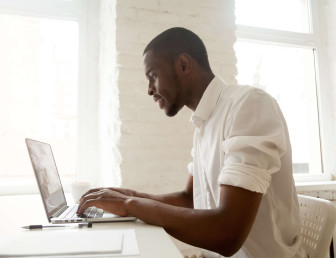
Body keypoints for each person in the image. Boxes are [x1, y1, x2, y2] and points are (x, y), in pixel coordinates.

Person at [77, 27, 305, 258]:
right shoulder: (204, 123)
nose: (149, 89)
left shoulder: (248, 105)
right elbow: (189, 199)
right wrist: (130, 196)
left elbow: (227, 234)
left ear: (184, 64)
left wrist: (130, 205)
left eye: (153, 75)